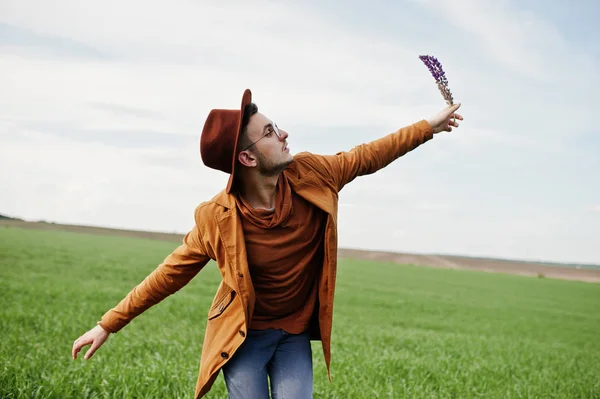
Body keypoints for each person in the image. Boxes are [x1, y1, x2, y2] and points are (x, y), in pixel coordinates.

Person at [72, 89, 463, 399]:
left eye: (276, 126)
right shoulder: (217, 218)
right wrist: (108, 324)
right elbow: (170, 273)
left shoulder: (313, 173)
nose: (284, 133)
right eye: (270, 132)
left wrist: (429, 125)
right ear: (247, 157)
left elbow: (368, 155)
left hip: (293, 336)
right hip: (243, 338)